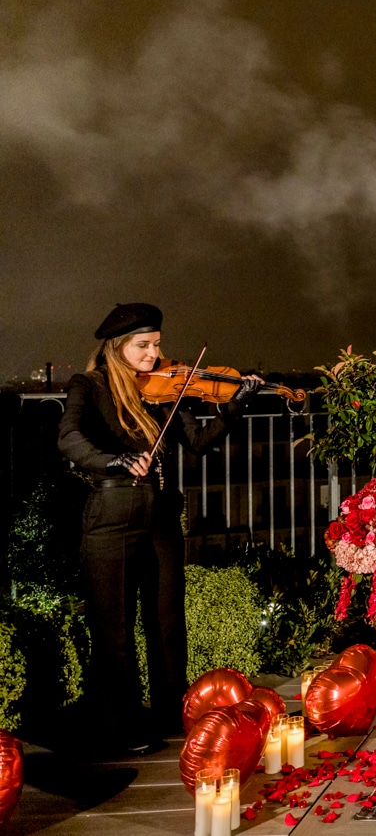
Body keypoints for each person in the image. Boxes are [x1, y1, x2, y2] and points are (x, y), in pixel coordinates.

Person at [57, 303, 261, 752]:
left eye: (156, 344)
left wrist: (235, 407)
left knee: (168, 622)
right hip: (111, 517)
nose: (154, 354)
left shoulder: (167, 388)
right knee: (114, 627)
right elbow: (68, 437)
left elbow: (199, 443)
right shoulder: (88, 385)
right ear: (117, 348)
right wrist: (113, 460)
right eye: (143, 346)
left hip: (163, 515)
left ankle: (174, 715)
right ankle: (120, 726)